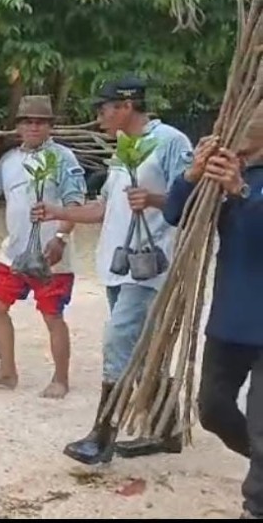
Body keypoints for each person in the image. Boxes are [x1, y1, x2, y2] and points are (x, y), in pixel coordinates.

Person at [31, 75, 194, 465]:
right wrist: (59, 213)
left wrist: (153, 199)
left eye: (103, 108)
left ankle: (102, 435)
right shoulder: (124, 149)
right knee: (139, 346)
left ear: (125, 106)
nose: (99, 116)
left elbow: (191, 200)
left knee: (117, 342)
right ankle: (168, 428)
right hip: (118, 266)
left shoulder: (171, 142)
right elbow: (104, 207)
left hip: (151, 267)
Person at [164, 118, 263, 519]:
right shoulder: (223, 169)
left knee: (262, 425)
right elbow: (177, 215)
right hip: (230, 320)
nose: (233, 124)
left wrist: (240, 191)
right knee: (212, 409)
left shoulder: (241, 179)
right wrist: (192, 174)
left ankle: (255, 507)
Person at [0, 95, 86, 399]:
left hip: (52, 253)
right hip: (13, 251)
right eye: (28, 121)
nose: (34, 126)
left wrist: (61, 237)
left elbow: (75, 202)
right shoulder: (10, 160)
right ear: (19, 127)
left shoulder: (63, 158)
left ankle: (60, 378)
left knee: (52, 315)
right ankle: (7, 371)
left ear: (50, 126)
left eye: (41, 121)